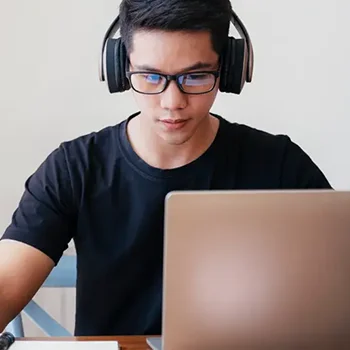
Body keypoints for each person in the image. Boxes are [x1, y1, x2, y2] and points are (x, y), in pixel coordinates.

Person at [0, 0, 331, 336]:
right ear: (119, 69)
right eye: (150, 76)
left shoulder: (280, 165)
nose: (172, 102)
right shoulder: (74, 168)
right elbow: (6, 283)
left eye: (197, 75)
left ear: (229, 69)